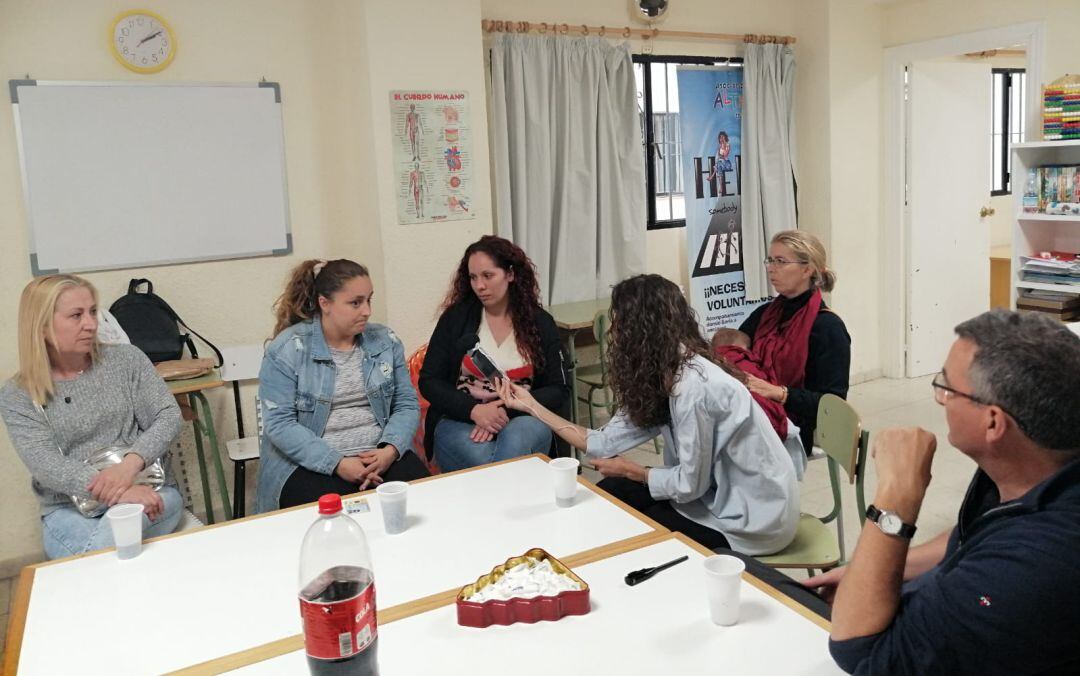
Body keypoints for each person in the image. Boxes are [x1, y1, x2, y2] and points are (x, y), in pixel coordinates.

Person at [807, 310, 1080, 675]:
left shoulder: (1033, 566)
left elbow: (862, 654)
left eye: (947, 387)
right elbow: (973, 535)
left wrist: (898, 493)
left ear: (993, 422)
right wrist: (880, 569)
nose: (939, 397)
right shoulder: (1033, 467)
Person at [496, 274, 800, 555]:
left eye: (619, 323)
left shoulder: (693, 387)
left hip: (754, 520)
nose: (613, 333)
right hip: (716, 498)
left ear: (640, 331)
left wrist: (635, 472)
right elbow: (602, 442)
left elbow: (688, 486)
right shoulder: (664, 371)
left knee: (625, 514)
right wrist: (531, 406)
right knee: (612, 495)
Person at [0, 275, 183, 559]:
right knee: (110, 546)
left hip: (149, 488)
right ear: (43, 326)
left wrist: (128, 468)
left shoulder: (127, 360)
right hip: (69, 508)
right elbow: (45, 464)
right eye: (76, 315)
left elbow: (168, 416)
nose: (90, 323)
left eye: (93, 311)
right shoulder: (17, 394)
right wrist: (119, 493)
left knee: (108, 546)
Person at [256, 259, 428, 512]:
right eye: (355, 303)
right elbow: (280, 425)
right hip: (311, 463)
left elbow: (405, 404)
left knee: (426, 506)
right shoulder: (288, 348)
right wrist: (337, 463)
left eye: (369, 300)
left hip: (379, 457)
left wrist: (389, 450)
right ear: (325, 304)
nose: (367, 311)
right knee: (337, 523)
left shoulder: (385, 340)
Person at [419, 235, 569, 473]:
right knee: (488, 457)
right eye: (473, 277)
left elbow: (558, 390)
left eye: (488, 276)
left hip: (522, 419)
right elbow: (429, 381)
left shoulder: (540, 323)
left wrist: (503, 411)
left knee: (514, 442)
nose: (479, 286)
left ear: (510, 274)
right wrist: (474, 411)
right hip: (460, 419)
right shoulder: (456, 318)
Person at [740, 230, 851, 454]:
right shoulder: (765, 314)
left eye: (780, 261)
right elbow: (734, 352)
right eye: (770, 260)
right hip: (757, 413)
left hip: (794, 429)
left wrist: (779, 393)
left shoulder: (827, 328)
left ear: (807, 269)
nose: (771, 268)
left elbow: (832, 405)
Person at [711, 327, 788, 440]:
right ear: (742, 348)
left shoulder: (711, 365)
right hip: (764, 423)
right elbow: (763, 386)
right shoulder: (746, 362)